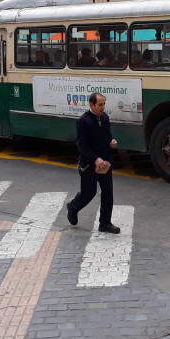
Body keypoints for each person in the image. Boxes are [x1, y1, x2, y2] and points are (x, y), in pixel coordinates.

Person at [66, 92, 120, 234]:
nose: (103, 107)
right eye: (100, 105)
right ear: (91, 105)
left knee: (108, 192)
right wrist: (96, 159)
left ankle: (105, 223)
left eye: (104, 104)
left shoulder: (105, 118)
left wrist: (112, 142)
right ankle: (73, 207)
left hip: (105, 164)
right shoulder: (83, 121)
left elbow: (108, 136)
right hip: (89, 164)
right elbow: (82, 146)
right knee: (89, 193)